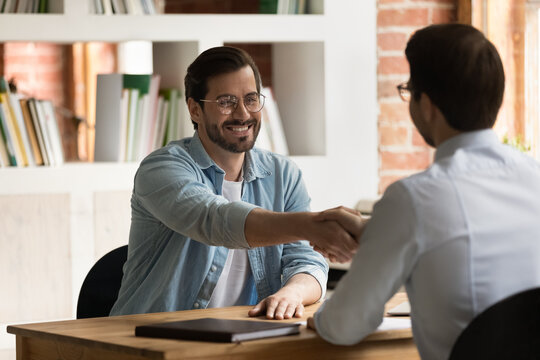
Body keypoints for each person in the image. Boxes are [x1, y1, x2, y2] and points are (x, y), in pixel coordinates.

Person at [307, 23, 540, 359]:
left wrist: (322, 319)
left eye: (408, 91)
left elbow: (346, 325)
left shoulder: (412, 199)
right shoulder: (533, 175)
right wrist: (376, 232)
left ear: (426, 105)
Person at [110, 46, 358, 320]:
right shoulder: (161, 168)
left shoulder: (283, 175)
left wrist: (292, 292)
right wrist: (313, 225)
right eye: (226, 102)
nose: (243, 114)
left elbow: (307, 260)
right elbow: (215, 220)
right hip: (146, 339)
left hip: (243, 337)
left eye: (251, 99)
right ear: (195, 109)